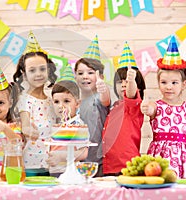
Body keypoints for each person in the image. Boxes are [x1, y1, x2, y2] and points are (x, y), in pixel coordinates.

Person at [140, 36, 186, 178]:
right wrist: (146, 107)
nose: (169, 87)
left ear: (183, 84)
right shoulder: (157, 106)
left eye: (174, 82)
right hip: (160, 159)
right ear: (158, 83)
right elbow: (150, 109)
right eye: (164, 82)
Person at [13, 31, 57, 176]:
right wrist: (29, 131)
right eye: (32, 70)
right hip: (32, 163)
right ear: (24, 74)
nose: (38, 74)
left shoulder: (52, 99)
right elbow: (25, 125)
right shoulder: (24, 99)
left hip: (52, 162)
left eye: (42, 69)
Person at [102, 42, 146, 176]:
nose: (124, 84)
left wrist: (131, 80)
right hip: (109, 165)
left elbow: (130, 94)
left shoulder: (134, 106)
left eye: (127, 81)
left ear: (138, 87)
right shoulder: (114, 107)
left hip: (126, 165)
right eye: (120, 81)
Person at [74, 36, 111, 177]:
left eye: (90, 73)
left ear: (100, 75)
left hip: (97, 162)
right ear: (75, 76)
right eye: (80, 73)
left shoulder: (98, 99)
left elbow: (105, 100)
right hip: (76, 160)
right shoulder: (75, 102)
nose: (85, 76)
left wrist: (103, 88)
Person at [47, 66, 88, 177]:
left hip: (70, 173)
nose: (61, 106)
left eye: (66, 101)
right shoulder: (58, 125)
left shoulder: (78, 125)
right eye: (56, 101)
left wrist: (60, 156)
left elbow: (83, 153)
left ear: (77, 103)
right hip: (54, 172)